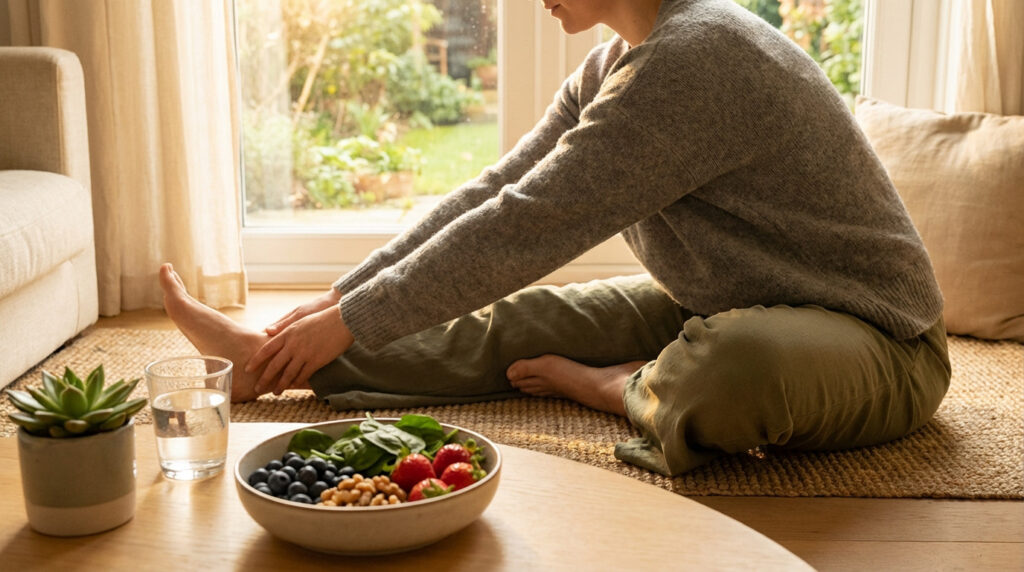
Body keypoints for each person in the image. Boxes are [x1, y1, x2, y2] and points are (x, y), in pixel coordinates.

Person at [161, 0, 951, 476]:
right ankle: (260, 365)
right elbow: (490, 194)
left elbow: (526, 224)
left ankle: (616, 386)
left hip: (881, 342)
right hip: (720, 298)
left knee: (735, 366)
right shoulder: (616, 61)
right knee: (519, 321)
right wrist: (329, 307)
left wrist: (347, 317)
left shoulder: (697, 59)